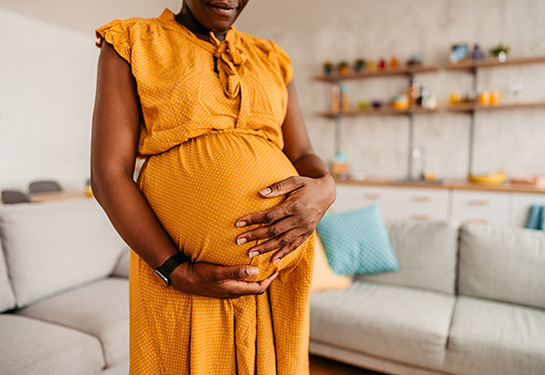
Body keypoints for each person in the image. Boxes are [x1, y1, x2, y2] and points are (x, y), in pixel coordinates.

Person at [91, 0, 336, 373]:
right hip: (180, 279)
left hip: (274, 285)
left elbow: (302, 152)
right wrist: (176, 270)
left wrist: (326, 186)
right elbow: (109, 172)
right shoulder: (132, 42)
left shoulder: (272, 58)